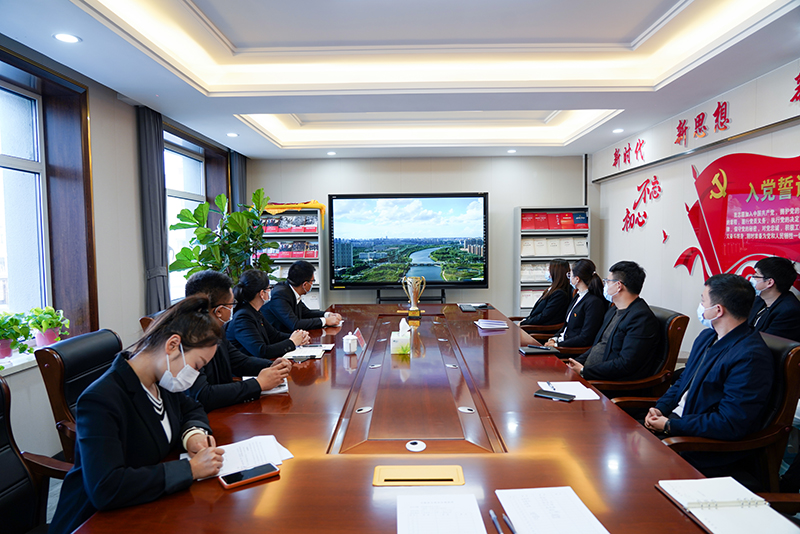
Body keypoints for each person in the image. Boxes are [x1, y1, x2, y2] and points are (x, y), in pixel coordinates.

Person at [49, 296, 226, 534]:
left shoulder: (161, 380)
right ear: (173, 345)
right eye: (196, 366)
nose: (194, 375)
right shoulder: (100, 399)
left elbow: (192, 408)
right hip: (93, 520)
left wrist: (192, 435)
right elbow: (105, 487)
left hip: (147, 506)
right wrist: (191, 469)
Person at [643, 274, 775, 480]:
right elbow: (683, 382)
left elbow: (729, 422)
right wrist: (660, 408)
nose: (701, 306)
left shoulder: (750, 355)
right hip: (675, 426)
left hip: (699, 446)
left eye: (703, 300)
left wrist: (670, 426)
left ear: (718, 310)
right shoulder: (707, 337)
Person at [185, 270, 292, 411]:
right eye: (231, 304)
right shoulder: (187, 340)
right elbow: (203, 395)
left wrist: (271, 365)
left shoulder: (215, 329)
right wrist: (258, 384)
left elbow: (239, 361)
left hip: (224, 409)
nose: (233, 310)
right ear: (219, 311)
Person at [567, 261, 660, 381]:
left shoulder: (641, 318)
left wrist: (584, 371)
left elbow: (626, 364)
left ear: (618, 286)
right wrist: (575, 363)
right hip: (590, 374)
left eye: (607, 282)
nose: (605, 285)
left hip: (608, 383)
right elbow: (598, 345)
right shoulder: (614, 310)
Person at [228, 269, 311, 359]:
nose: (270, 291)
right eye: (269, 288)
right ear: (262, 293)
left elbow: (274, 336)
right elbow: (261, 351)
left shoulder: (255, 312)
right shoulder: (243, 317)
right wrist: (292, 342)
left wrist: (299, 336)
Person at [262, 260, 343, 333]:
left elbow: (306, 313)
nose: (312, 284)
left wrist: (327, 315)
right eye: (312, 281)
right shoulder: (280, 295)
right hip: (276, 340)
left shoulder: (290, 290)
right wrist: (325, 321)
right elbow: (295, 324)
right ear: (305, 284)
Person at [544, 258, 607, 348]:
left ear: (577, 279)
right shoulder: (577, 296)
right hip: (562, 343)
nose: (569, 277)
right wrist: (554, 339)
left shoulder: (594, 302)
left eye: (570, 275)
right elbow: (566, 325)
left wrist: (557, 345)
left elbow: (585, 337)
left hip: (569, 348)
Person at [748, 256, 800, 342]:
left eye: (756, 275)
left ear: (769, 282)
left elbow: (767, 343)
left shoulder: (789, 311)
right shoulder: (759, 300)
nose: (752, 278)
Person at [520, 259, 571, 326]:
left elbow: (545, 316)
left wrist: (524, 323)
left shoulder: (559, 294)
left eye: (549, 270)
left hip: (541, 328)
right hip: (535, 324)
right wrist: (526, 319)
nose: (547, 272)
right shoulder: (552, 289)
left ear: (555, 273)